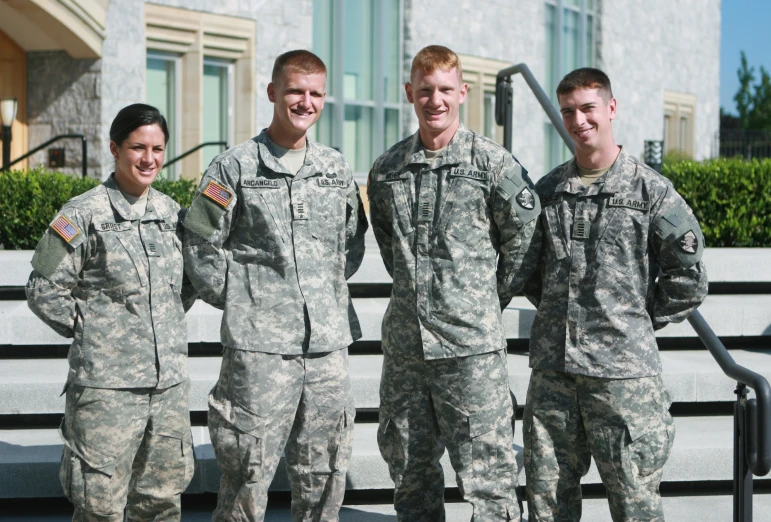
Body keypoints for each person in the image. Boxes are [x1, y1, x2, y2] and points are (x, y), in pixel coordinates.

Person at [181, 49, 366, 521]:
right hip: (259, 352)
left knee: (325, 473)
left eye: (315, 94)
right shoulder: (234, 168)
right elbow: (199, 243)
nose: (305, 102)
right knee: (247, 471)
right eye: (295, 92)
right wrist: (247, 300)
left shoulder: (337, 169)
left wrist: (320, 293)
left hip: (327, 348)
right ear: (272, 93)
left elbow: (352, 243)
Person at [522, 68, 708, 521]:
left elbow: (689, 280)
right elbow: (529, 273)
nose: (578, 120)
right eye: (568, 111)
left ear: (611, 108)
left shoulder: (652, 192)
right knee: (547, 502)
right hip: (554, 372)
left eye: (588, 108)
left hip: (624, 378)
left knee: (635, 504)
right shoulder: (548, 192)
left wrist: (636, 320)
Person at [367, 45, 541, 522]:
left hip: (470, 352)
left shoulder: (492, 165)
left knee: (489, 482)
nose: (435, 100)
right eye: (425, 90)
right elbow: (389, 245)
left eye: (445, 89)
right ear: (410, 94)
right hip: (406, 352)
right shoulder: (387, 170)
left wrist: (485, 297)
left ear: (462, 92)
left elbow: (525, 240)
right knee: (410, 476)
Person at [26, 103, 198, 521]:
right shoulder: (82, 213)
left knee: (160, 503)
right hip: (106, 391)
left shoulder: (170, 213)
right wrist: (94, 331)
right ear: (115, 149)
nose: (149, 159)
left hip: (167, 389)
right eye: (138, 147)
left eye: (158, 148)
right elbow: (42, 286)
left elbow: (185, 286)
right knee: (98, 506)